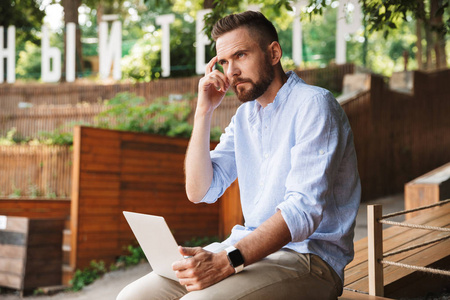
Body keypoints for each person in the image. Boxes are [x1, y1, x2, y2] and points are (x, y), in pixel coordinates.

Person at [117, 10, 360, 300]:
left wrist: (228, 261)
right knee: (134, 296)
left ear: (273, 53)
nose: (230, 71)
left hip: (310, 260)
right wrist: (203, 111)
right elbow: (201, 191)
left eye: (241, 55)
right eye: (224, 61)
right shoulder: (245, 117)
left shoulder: (315, 104)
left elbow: (302, 210)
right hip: (246, 250)